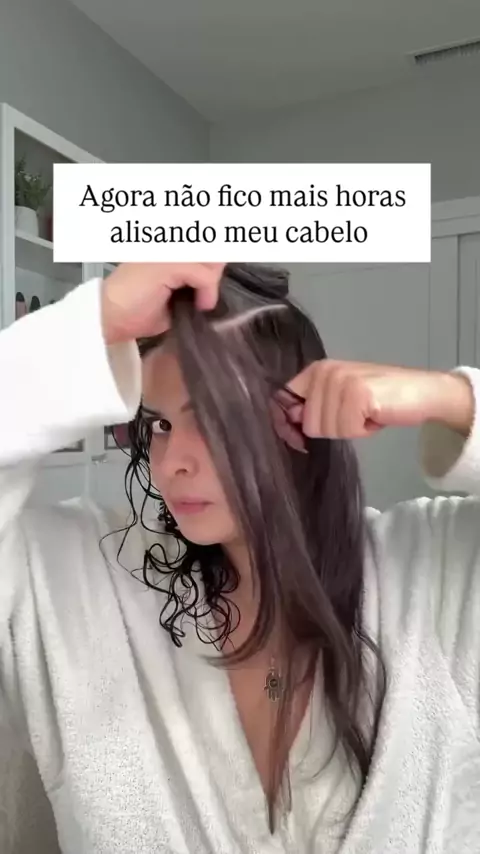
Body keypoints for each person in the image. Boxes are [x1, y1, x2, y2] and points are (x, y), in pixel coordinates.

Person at [0, 261, 479, 854]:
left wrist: (450, 399)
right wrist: (88, 324)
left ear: (299, 420)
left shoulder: (437, 573)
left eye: (213, 420)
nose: (171, 461)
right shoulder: (79, 577)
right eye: (159, 423)